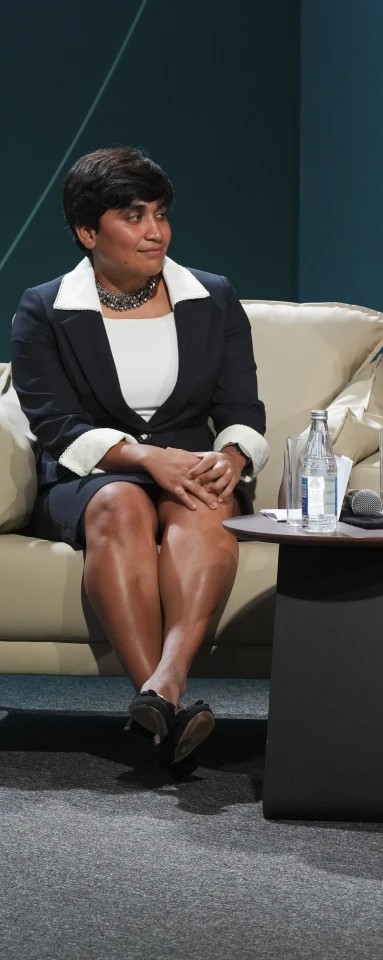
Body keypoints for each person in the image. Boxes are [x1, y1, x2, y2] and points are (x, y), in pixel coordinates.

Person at [10, 147, 267, 770]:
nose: (155, 231)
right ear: (87, 231)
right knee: (122, 501)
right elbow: (55, 426)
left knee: (206, 502)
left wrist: (233, 455)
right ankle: (163, 701)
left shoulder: (212, 296)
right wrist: (147, 459)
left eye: (160, 214)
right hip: (92, 474)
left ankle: (162, 690)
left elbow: (241, 408)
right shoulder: (44, 310)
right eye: (133, 216)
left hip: (193, 466)